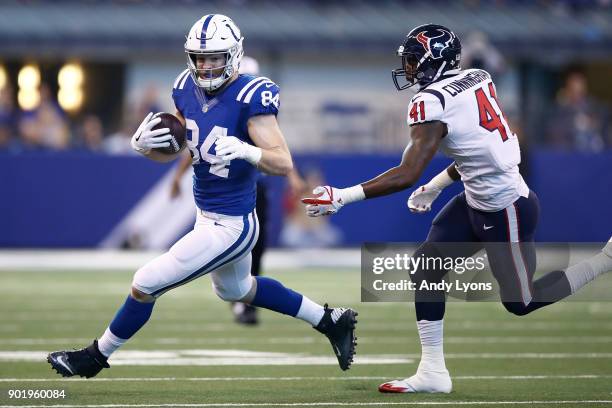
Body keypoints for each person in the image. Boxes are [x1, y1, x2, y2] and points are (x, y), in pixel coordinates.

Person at [302, 24, 612, 394]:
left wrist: (342, 196)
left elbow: (407, 172)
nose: (409, 69)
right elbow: (475, 149)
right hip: (475, 199)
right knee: (426, 267)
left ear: (437, 61)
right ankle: (433, 372)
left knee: (520, 302)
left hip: (507, 208)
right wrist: (434, 187)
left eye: (415, 61)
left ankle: (604, 260)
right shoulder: (477, 78)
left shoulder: (432, 101)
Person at [47, 14, 357, 378]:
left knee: (146, 282)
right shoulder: (183, 87)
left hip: (231, 224)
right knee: (237, 289)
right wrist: (145, 146)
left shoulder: (251, 95)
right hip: (206, 212)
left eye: (215, 57)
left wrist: (247, 150)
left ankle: (94, 356)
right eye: (200, 57)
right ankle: (330, 320)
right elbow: (180, 145)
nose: (206, 66)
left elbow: (283, 162)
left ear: (234, 55)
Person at [169, 55, 306, 325]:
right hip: (225, 195)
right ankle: (243, 302)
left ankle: (245, 302)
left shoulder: (255, 101)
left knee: (257, 248)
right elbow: (199, 144)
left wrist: (291, 176)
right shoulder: (211, 100)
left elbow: (279, 153)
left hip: (254, 185)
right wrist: (176, 175)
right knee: (233, 271)